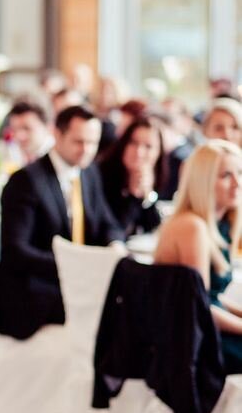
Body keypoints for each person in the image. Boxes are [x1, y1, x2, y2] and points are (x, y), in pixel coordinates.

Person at [0, 105, 124, 340]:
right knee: (111, 308)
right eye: (79, 141)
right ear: (57, 135)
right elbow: (16, 251)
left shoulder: (88, 172)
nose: (86, 150)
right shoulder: (25, 181)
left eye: (93, 143)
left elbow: (107, 222)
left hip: (73, 280)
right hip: (32, 288)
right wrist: (75, 267)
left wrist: (115, 245)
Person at [153, 140, 242, 373]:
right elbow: (199, 307)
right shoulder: (193, 227)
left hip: (205, 329)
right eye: (226, 175)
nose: (238, 183)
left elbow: (211, 297)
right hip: (190, 342)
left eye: (240, 173)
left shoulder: (221, 224)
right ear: (203, 182)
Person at [96, 116, 168, 238]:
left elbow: (154, 228)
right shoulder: (101, 175)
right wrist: (133, 194)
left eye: (148, 146)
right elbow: (115, 231)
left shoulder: (153, 176)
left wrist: (147, 195)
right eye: (133, 143)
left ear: (158, 153)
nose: (139, 152)